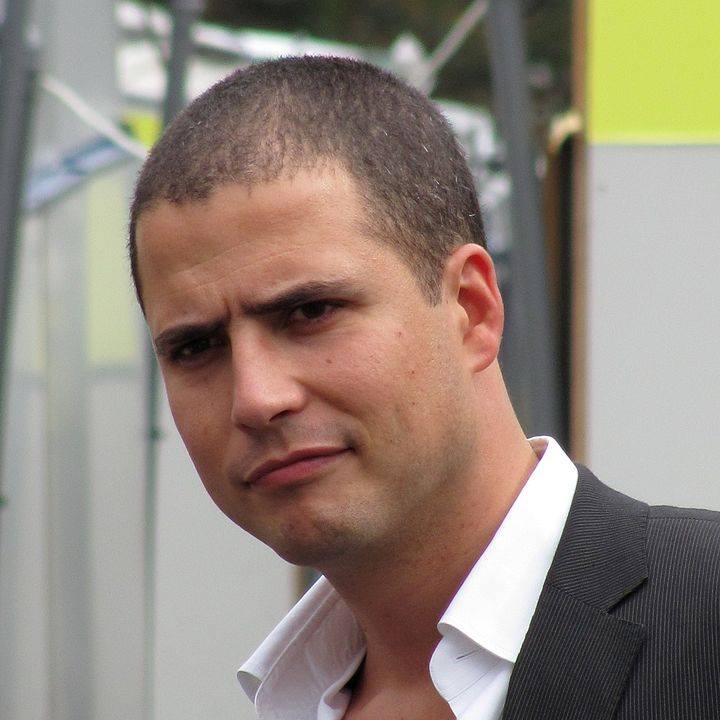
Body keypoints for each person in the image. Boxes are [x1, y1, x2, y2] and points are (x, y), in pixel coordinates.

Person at [128, 56, 720, 720]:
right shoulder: (292, 695)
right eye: (195, 348)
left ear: (471, 309)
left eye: (310, 312)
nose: (257, 399)